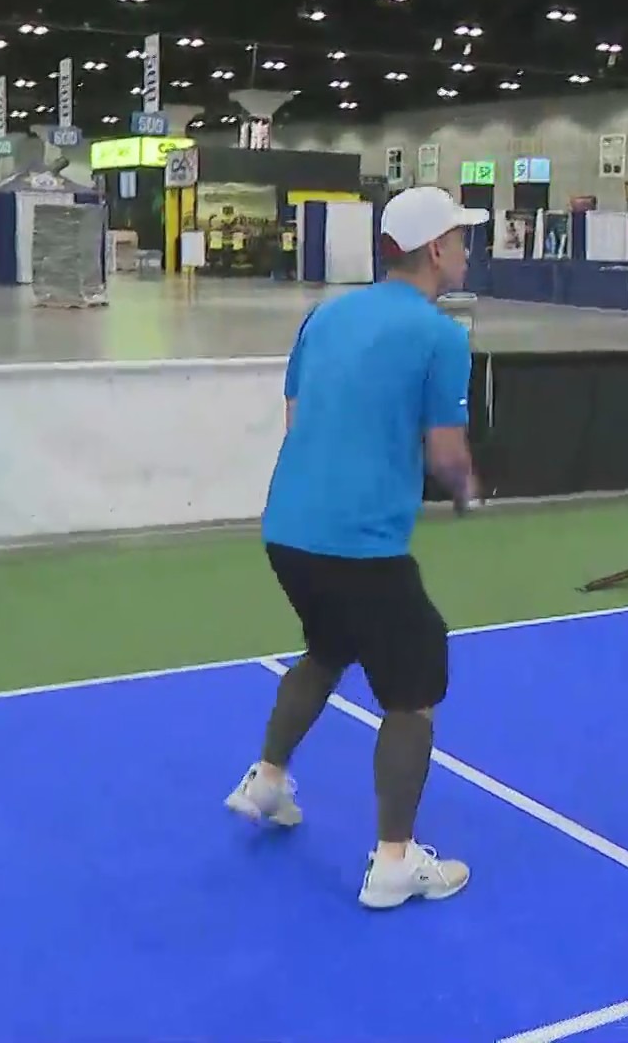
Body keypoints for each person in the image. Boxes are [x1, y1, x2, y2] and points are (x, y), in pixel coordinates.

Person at [224, 186, 486, 910]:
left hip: (289, 530)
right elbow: (444, 453)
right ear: (435, 251)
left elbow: (296, 416)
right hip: (362, 546)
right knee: (414, 693)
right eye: (461, 239)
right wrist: (470, 492)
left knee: (328, 648)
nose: (467, 251)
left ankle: (269, 782)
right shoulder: (442, 336)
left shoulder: (325, 315)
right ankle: (395, 864)